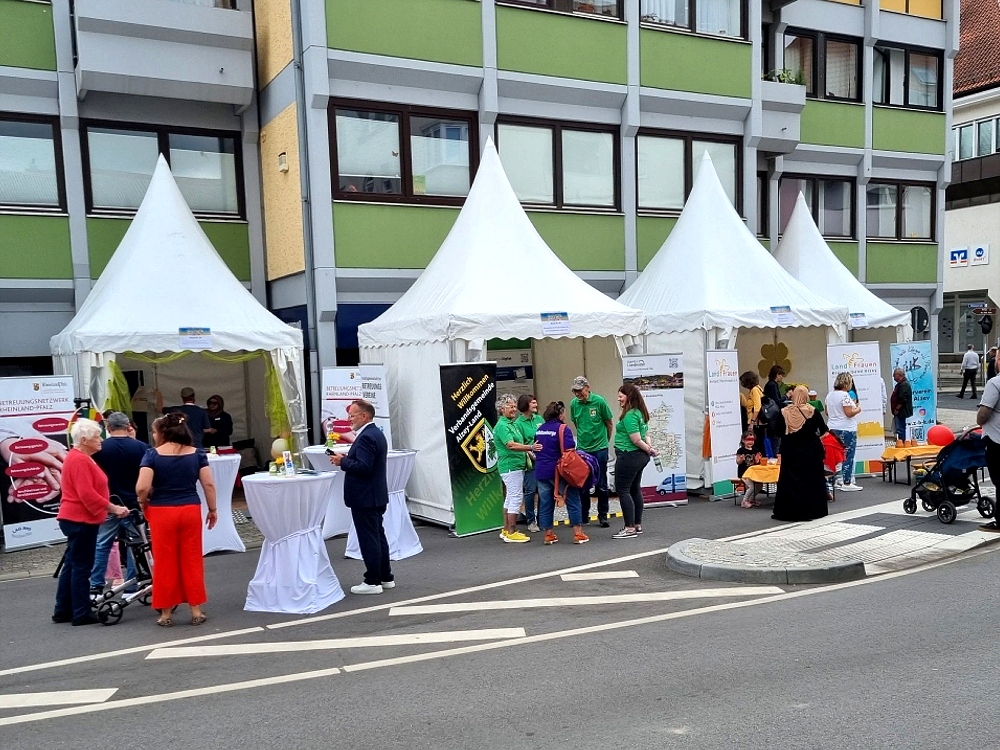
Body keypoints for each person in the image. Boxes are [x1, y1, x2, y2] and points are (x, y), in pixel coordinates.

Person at [136, 413, 216, 626]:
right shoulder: (197, 453)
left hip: (162, 511)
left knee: (164, 561)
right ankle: (196, 610)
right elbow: (208, 484)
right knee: (191, 559)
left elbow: (143, 486)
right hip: (190, 508)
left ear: (163, 432)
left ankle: (165, 614)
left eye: (154, 432)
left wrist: (142, 501)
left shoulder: (152, 455)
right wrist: (213, 509)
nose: (153, 436)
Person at [53, 419, 130, 626]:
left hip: (74, 517)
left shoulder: (79, 457)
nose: (101, 440)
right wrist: (114, 508)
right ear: (85, 439)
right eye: (97, 437)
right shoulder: (80, 460)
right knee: (81, 567)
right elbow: (87, 495)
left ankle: (63, 609)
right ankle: (80, 612)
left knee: (72, 564)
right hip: (80, 518)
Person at [329, 399, 396, 590]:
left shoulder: (367, 436)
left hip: (366, 496)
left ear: (364, 416)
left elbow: (364, 467)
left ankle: (372, 580)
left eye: (352, 415)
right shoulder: (375, 433)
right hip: (374, 495)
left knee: (369, 539)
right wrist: (346, 460)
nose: (349, 419)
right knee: (377, 536)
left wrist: (343, 462)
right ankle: (385, 576)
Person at [90, 412, 149, 595]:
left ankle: (96, 586)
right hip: (134, 503)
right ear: (128, 427)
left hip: (109, 503)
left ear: (108, 428)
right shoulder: (142, 448)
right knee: (135, 545)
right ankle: (131, 585)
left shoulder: (99, 449)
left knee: (102, 544)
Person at [771, 386, 831, 522]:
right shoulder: (812, 411)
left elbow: (778, 431)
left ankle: (788, 511)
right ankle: (813, 511)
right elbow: (823, 430)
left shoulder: (784, 412)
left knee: (790, 480)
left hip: (790, 451)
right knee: (811, 480)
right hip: (811, 452)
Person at [533, 401, 588, 545]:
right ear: (560, 414)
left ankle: (548, 535)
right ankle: (578, 534)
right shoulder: (563, 429)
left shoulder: (540, 429)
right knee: (573, 499)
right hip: (559, 472)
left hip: (541, 471)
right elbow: (569, 451)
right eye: (564, 412)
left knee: (545, 503)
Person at [612, 383, 657, 539]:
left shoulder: (630, 414)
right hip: (639, 457)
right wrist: (649, 448)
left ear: (629, 396)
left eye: (621, 396)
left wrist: (648, 449)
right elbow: (646, 434)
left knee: (623, 490)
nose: (618, 399)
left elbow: (636, 439)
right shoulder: (640, 413)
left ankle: (629, 528)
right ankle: (637, 524)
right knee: (634, 489)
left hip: (628, 455)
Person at [492, 394, 539, 543]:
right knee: (517, 497)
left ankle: (506, 530)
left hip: (515, 466)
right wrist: (530, 447)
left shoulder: (510, 424)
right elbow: (510, 445)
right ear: (501, 409)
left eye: (514, 406)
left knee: (510, 497)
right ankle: (512, 531)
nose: (514, 409)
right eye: (510, 407)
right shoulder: (503, 426)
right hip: (511, 467)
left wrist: (528, 452)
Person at [569, 376, 614, 527]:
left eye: (579, 390)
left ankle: (603, 515)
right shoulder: (574, 404)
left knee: (601, 484)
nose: (577, 394)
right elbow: (576, 423)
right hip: (583, 449)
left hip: (599, 447)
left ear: (587, 387)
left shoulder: (599, 401)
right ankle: (584, 515)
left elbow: (609, 422)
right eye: (575, 391)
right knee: (582, 484)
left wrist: (605, 441)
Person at [825, 372, 863, 492]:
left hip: (832, 428)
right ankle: (847, 482)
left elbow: (827, 412)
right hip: (847, 429)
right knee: (848, 455)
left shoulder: (829, 395)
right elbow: (849, 413)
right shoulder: (845, 396)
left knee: (834, 456)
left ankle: (832, 481)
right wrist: (858, 409)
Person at [977, 349, 1000, 531]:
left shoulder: (995, 383)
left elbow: (983, 414)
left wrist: (978, 420)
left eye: (997, 358)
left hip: (996, 439)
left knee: (999, 481)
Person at [515, 394, 543, 533]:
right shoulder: (518, 424)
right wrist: (530, 453)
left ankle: (543, 519)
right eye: (532, 402)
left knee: (544, 490)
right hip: (530, 462)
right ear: (526, 405)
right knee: (530, 491)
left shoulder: (539, 419)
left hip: (543, 460)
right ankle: (531, 521)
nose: (535, 404)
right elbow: (519, 444)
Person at [735, 431, 761, 509]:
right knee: (751, 487)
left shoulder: (755, 450)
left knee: (759, 485)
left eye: (752, 440)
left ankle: (751, 499)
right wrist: (741, 459)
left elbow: (756, 463)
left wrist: (757, 460)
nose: (750, 442)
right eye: (748, 440)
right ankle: (744, 501)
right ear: (743, 440)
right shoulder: (741, 451)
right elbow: (738, 462)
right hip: (744, 473)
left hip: (752, 473)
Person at [890, 368, 913, 442]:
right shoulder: (900, 384)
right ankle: (901, 442)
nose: (893, 377)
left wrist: (897, 409)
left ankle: (902, 443)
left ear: (899, 375)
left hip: (901, 411)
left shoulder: (904, 384)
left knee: (900, 428)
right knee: (899, 428)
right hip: (899, 411)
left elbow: (902, 398)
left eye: (894, 375)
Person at [740, 371, 764, 436]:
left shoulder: (754, 390)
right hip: (758, 422)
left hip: (756, 423)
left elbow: (757, 407)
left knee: (756, 442)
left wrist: (752, 423)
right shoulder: (758, 388)